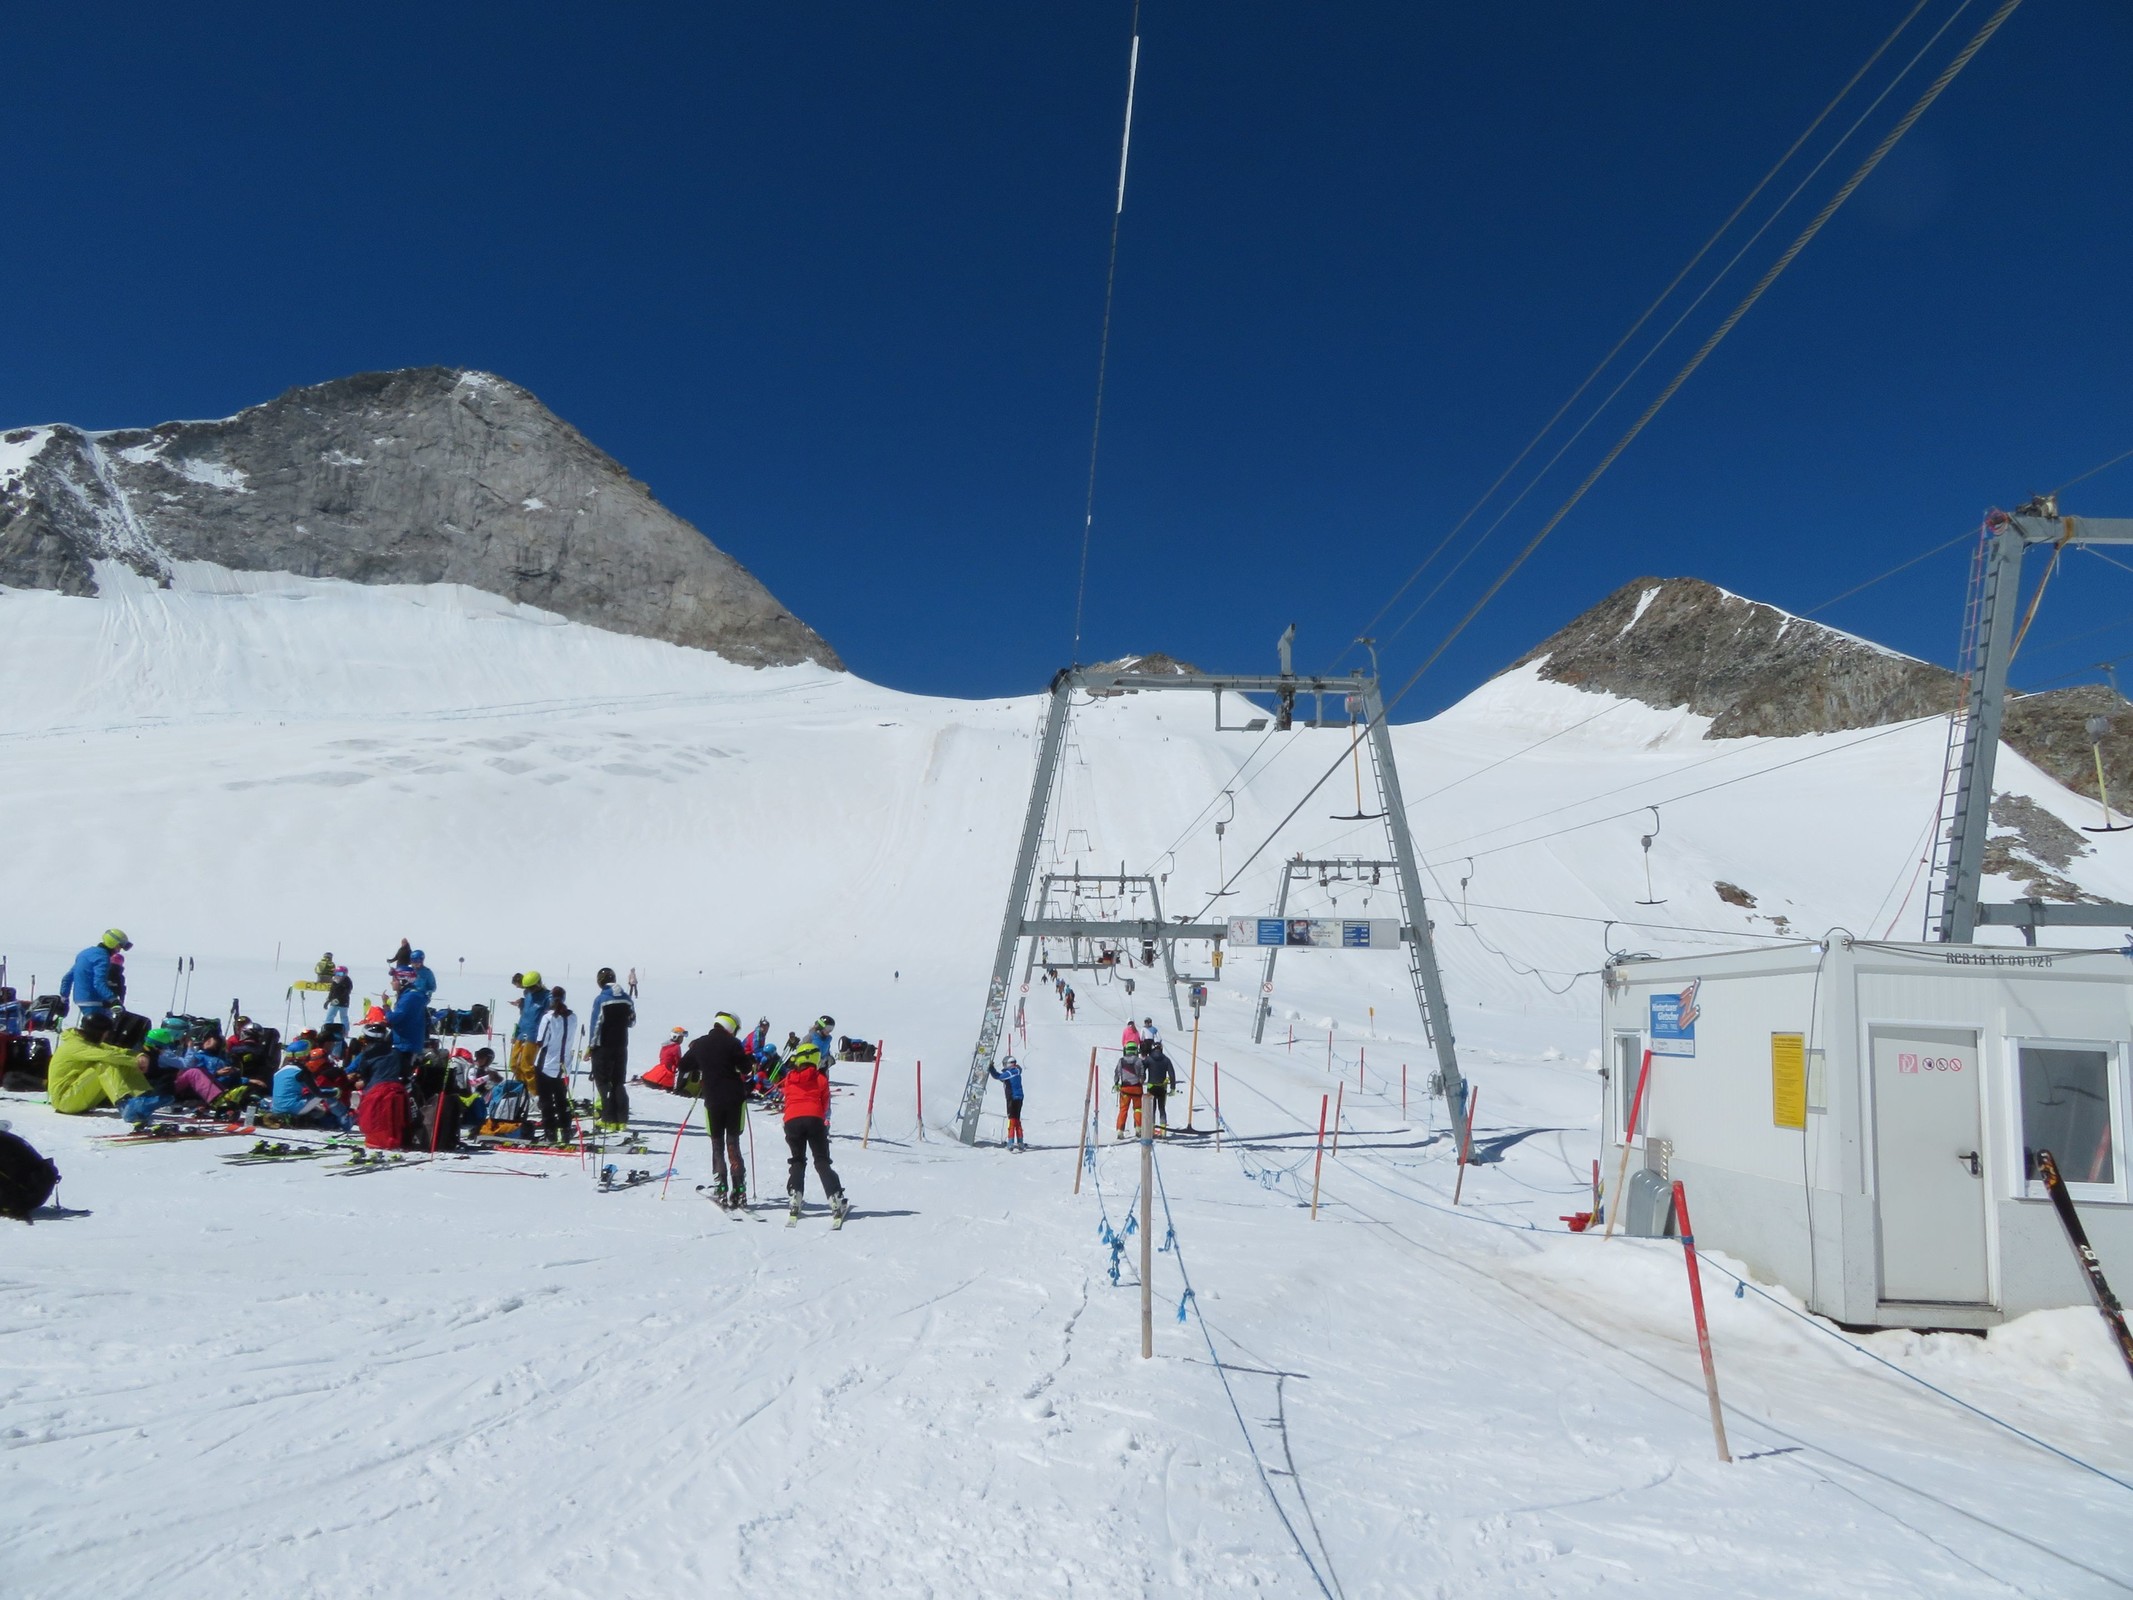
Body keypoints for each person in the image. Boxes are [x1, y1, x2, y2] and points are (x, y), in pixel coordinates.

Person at [684, 1012, 754, 1209]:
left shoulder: (701, 1044)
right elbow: (747, 1069)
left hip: (713, 1100)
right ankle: (739, 1190)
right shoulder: (733, 1044)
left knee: (717, 1145)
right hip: (735, 1100)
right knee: (733, 1144)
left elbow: (683, 1065)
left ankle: (721, 1187)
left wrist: (701, 1062)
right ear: (731, 1027)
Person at [779, 1039, 847, 1221]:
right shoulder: (820, 1078)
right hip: (814, 1119)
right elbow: (825, 1103)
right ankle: (835, 1197)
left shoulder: (789, 1078)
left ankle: (795, 1195)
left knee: (797, 1160)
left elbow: (786, 1097)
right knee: (821, 1161)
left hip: (792, 1121)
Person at [47, 1011, 157, 1118]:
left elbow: (116, 1051)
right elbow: (108, 1056)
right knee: (105, 1064)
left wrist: (138, 1056)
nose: (107, 1036)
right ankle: (125, 1104)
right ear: (97, 1033)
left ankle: (144, 1097)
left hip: (78, 1097)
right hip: (65, 1101)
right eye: (106, 1033)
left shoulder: (88, 1042)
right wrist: (136, 1062)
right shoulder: (75, 1045)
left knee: (122, 1061)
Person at [586, 968, 635, 1131]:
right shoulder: (627, 998)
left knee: (603, 1082)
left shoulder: (601, 999)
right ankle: (622, 1121)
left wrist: (591, 1046)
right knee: (618, 1082)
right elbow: (632, 1021)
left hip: (603, 1046)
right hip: (622, 1046)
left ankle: (608, 1118)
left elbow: (596, 1025)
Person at [534, 986, 577, 1146]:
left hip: (546, 1064)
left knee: (546, 1100)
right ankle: (565, 1129)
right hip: (564, 1066)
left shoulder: (549, 1018)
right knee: (561, 1099)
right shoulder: (572, 1017)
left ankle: (550, 1132)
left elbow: (542, 1041)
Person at [59, 929, 130, 1023]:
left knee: (90, 1030)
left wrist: (64, 998)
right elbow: (99, 983)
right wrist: (113, 1000)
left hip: (81, 1000)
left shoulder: (85, 953)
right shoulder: (102, 957)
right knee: (103, 1032)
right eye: (119, 946)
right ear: (113, 943)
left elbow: (67, 978)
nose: (119, 950)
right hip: (95, 1001)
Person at [509, 971, 548, 1087]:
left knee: (526, 1066)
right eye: (528, 988)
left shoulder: (547, 997)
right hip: (522, 1033)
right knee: (514, 1064)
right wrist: (516, 1033)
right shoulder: (528, 995)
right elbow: (523, 1016)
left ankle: (533, 1093)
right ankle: (521, 1088)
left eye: (532, 988)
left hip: (534, 1035)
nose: (530, 990)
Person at [988, 1054, 1026, 1151]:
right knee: (1016, 1120)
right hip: (1019, 1097)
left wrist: (991, 1068)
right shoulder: (1016, 1071)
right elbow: (1003, 1079)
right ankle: (1020, 1142)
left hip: (1012, 1098)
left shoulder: (1011, 1072)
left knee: (1012, 1120)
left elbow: (998, 1076)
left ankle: (1010, 1143)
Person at [1113, 1040, 1145, 1140]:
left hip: (1125, 1089)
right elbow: (1143, 1076)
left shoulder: (1121, 1060)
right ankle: (1138, 1129)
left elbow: (1117, 1073)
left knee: (1123, 1109)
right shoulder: (1139, 1061)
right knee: (1138, 1109)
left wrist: (1116, 1083)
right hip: (1137, 1089)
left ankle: (1120, 1131)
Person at [1143, 1040, 1175, 1134]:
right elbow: (1172, 1074)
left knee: (1152, 1109)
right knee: (1162, 1108)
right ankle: (1163, 1131)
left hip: (1151, 1087)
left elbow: (1142, 1069)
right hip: (1162, 1088)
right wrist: (1172, 1087)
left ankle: (1151, 1130)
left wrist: (1142, 1078)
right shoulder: (1166, 1059)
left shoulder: (1149, 1059)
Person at [323, 966, 352, 1036]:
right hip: (334, 1002)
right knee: (330, 1016)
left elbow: (346, 992)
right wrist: (328, 1000)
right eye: (337, 973)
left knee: (343, 1017)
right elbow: (332, 992)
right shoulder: (335, 981)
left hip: (343, 1002)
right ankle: (328, 1029)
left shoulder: (347, 981)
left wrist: (338, 999)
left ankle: (345, 1031)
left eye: (341, 974)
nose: (339, 976)